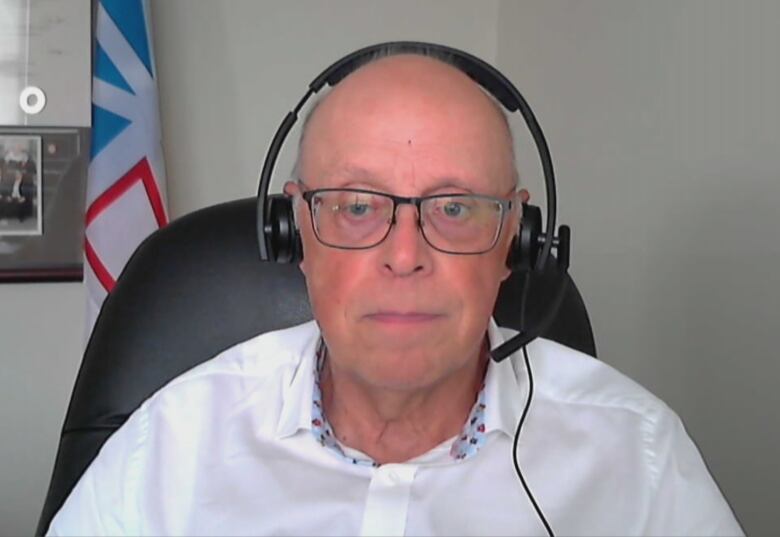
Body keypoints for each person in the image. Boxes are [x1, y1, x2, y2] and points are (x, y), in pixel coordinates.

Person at [47, 51, 743, 536]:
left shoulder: (640, 458)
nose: (405, 255)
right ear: (295, 235)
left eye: (456, 207)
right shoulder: (168, 448)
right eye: (355, 205)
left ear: (517, 243)